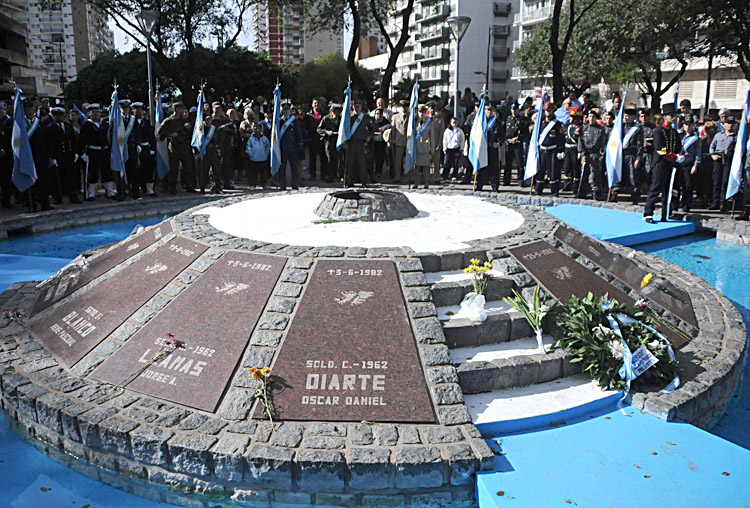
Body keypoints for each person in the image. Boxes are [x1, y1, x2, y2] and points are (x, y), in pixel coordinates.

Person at [643, 103, 682, 223]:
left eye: (674, 115)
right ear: (665, 117)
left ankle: (666, 213)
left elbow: (678, 147)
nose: (673, 117)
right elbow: (660, 149)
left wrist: (680, 154)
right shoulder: (658, 131)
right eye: (671, 115)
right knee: (656, 187)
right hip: (660, 163)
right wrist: (674, 157)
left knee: (669, 190)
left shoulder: (674, 132)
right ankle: (648, 213)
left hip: (671, 164)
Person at [157, 102, 195, 194]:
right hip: (174, 147)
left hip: (185, 146)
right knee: (174, 168)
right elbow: (160, 132)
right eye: (181, 108)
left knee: (188, 168)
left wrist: (188, 126)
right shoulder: (169, 120)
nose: (183, 110)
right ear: (177, 109)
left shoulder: (184, 120)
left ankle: (189, 186)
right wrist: (170, 134)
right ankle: (172, 188)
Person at [46, 106, 81, 204]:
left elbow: (74, 141)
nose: (59, 117)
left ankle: (73, 196)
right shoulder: (50, 128)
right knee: (57, 179)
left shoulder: (68, 126)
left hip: (68, 155)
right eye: (57, 115)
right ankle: (57, 197)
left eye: (61, 115)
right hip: (58, 157)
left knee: (71, 177)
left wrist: (76, 153)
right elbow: (48, 144)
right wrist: (51, 157)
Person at [108, 99, 141, 200]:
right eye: (123, 108)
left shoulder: (133, 120)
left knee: (133, 172)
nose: (125, 110)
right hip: (120, 150)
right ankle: (121, 194)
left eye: (127, 108)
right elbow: (110, 135)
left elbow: (137, 133)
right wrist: (112, 148)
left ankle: (135, 193)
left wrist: (138, 144)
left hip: (131, 149)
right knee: (120, 173)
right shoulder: (116, 120)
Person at [80, 103, 113, 200]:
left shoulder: (104, 124)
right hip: (92, 152)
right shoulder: (86, 125)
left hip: (104, 151)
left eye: (97, 112)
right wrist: (82, 153)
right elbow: (82, 140)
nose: (95, 114)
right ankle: (91, 193)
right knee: (92, 173)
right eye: (93, 112)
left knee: (106, 172)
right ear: (89, 113)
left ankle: (110, 191)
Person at [535, 101, 564, 196]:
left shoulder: (557, 124)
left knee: (553, 172)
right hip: (542, 150)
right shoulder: (540, 123)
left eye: (549, 110)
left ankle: (554, 191)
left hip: (552, 150)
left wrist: (560, 150)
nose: (547, 112)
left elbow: (560, 138)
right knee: (540, 171)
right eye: (546, 110)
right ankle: (538, 190)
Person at [344, 99, 375, 186]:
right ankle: (350, 180)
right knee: (351, 163)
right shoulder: (349, 118)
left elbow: (373, 128)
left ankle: (364, 181)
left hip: (362, 143)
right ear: (353, 107)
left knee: (362, 163)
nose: (357, 108)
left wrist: (369, 137)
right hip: (351, 142)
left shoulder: (365, 118)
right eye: (355, 106)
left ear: (361, 107)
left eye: (359, 106)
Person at [709, 116, 736, 212]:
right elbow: (712, 146)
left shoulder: (735, 137)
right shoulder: (718, 135)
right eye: (728, 123)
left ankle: (722, 203)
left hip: (728, 161)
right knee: (716, 181)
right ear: (724, 124)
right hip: (718, 159)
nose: (730, 125)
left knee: (724, 182)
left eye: (732, 123)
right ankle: (715, 202)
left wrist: (731, 152)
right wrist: (713, 155)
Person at [578, 109, 606, 200]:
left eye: (593, 117)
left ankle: (596, 193)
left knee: (595, 175)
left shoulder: (600, 129)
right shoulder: (583, 129)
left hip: (595, 154)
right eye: (589, 116)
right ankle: (582, 192)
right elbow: (581, 142)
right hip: (586, 154)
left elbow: (602, 144)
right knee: (584, 174)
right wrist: (583, 154)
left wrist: (601, 156)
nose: (591, 118)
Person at [620, 104, 645, 204]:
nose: (626, 117)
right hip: (622, 154)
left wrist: (638, 158)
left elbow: (639, 145)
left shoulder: (637, 128)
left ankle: (635, 195)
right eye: (625, 115)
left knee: (633, 177)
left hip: (632, 154)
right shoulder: (620, 127)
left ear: (633, 117)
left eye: (628, 115)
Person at [277, 101, 304, 190]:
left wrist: (300, 145)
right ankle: (282, 184)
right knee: (282, 166)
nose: (286, 111)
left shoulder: (294, 121)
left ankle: (295, 184)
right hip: (283, 147)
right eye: (284, 110)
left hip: (293, 147)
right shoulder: (279, 121)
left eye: (287, 110)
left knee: (294, 167)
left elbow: (298, 133)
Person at [678, 114, 702, 212]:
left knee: (687, 186)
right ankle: (674, 203)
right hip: (678, 164)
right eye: (686, 124)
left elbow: (698, 153)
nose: (688, 126)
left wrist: (696, 165)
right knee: (676, 185)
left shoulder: (696, 139)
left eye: (690, 124)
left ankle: (686, 204)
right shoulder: (679, 136)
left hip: (688, 164)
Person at [132, 102, 156, 197]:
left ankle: (149, 189)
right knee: (136, 170)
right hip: (135, 149)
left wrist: (152, 148)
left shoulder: (146, 122)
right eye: (137, 110)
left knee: (148, 169)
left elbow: (151, 136)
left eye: (140, 110)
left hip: (146, 148)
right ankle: (136, 189)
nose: (139, 111)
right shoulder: (131, 122)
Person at [476, 105, 501, 192]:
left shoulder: (496, 122)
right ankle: (479, 186)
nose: (489, 112)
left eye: (490, 111)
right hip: (483, 148)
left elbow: (502, 136)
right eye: (487, 110)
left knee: (494, 168)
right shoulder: (481, 122)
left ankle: (495, 186)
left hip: (492, 148)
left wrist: (498, 143)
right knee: (482, 168)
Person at [317, 103, 342, 183]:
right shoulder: (326, 118)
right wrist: (326, 132)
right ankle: (330, 176)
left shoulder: (342, 119)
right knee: (330, 159)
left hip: (338, 141)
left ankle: (337, 175)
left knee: (338, 159)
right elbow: (319, 129)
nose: (336, 113)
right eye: (334, 111)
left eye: (338, 111)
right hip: (329, 141)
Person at [304, 97, 327, 181]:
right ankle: (312, 174)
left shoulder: (324, 114)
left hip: (321, 139)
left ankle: (323, 175)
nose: (316, 105)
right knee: (312, 158)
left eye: (318, 103)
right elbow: (305, 127)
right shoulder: (308, 115)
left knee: (323, 158)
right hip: (312, 139)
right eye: (315, 103)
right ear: (312, 104)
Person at [411, 104, 433, 189]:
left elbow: (432, 135)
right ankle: (416, 183)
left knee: (426, 166)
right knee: (417, 166)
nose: (421, 114)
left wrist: (432, 148)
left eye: (423, 112)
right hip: (417, 146)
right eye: (420, 112)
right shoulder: (414, 121)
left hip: (425, 146)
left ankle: (426, 183)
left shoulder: (429, 121)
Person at [562, 107, 582, 191]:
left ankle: (575, 186)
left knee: (575, 168)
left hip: (575, 149)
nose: (570, 118)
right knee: (567, 167)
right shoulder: (568, 127)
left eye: (572, 117)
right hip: (567, 149)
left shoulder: (580, 128)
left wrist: (580, 152)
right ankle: (567, 184)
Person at [245, 121, 270, 190]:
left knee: (263, 173)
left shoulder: (264, 138)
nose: (257, 130)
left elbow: (268, 147)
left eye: (258, 128)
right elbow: (248, 147)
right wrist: (251, 154)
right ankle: (253, 184)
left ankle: (264, 184)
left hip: (263, 158)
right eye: (255, 128)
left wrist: (266, 154)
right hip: (254, 159)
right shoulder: (251, 139)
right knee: (253, 173)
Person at [389, 101, 408, 183]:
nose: (404, 108)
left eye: (405, 106)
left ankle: (409, 177)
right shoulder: (395, 117)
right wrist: (392, 139)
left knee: (408, 160)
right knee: (398, 161)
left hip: (408, 141)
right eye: (402, 106)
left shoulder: (411, 116)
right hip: (398, 141)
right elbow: (393, 130)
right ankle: (397, 177)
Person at [442, 116, 465, 181]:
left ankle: (454, 175)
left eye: (456, 122)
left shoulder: (459, 131)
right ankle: (445, 175)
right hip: (449, 149)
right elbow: (445, 140)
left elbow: (462, 140)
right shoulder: (447, 131)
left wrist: (461, 148)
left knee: (456, 163)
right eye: (453, 122)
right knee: (447, 163)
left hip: (456, 149)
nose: (454, 124)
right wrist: (445, 148)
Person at [428, 102, 446, 185]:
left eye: (433, 108)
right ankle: (426, 177)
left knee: (436, 162)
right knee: (426, 162)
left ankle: (436, 177)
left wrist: (439, 144)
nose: (432, 110)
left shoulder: (439, 119)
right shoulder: (425, 118)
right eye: (430, 108)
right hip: (426, 144)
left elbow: (441, 133)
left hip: (436, 143)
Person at [372, 108, 391, 182]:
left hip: (381, 142)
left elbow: (388, 129)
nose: (378, 115)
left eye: (379, 114)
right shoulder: (373, 121)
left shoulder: (386, 122)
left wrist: (383, 129)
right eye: (377, 114)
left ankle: (379, 172)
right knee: (373, 157)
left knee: (380, 158)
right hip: (373, 142)